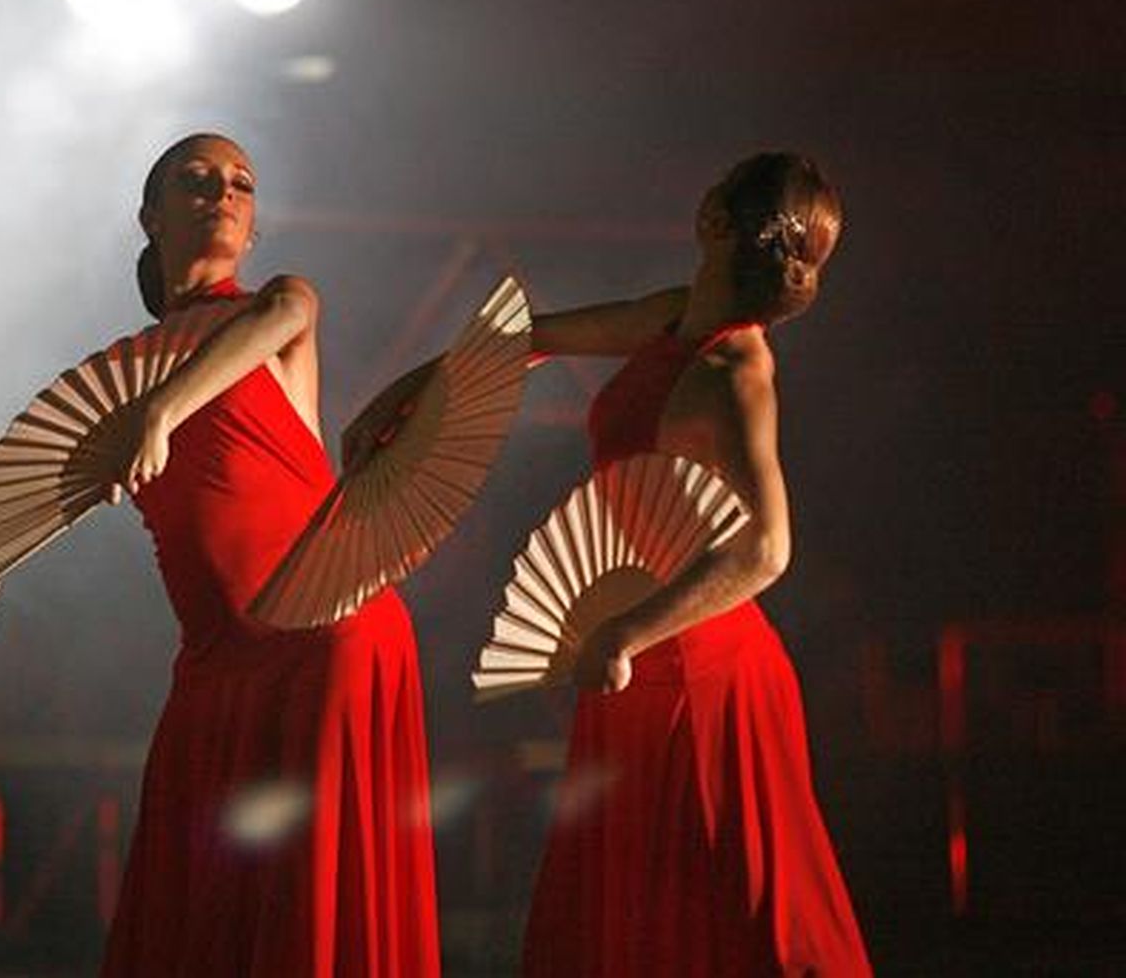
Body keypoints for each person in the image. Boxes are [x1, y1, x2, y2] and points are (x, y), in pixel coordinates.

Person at [520, 153, 871, 975]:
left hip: (698, 666)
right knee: (636, 914)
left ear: (713, 222)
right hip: (635, 658)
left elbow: (766, 546)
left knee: (729, 910)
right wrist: (415, 392)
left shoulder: (732, 369)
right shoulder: (673, 321)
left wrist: (626, 633)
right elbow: (533, 337)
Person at [100, 133, 441, 977]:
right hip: (217, 665)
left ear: (252, 230)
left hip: (323, 631)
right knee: (202, 919)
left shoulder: (272, 310)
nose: (224, 191)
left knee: (302, 914)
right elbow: (20, 490)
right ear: (150, 217)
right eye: (197, 179)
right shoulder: (116, 379)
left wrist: (165, 412)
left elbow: (284, 313)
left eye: (242, 185)